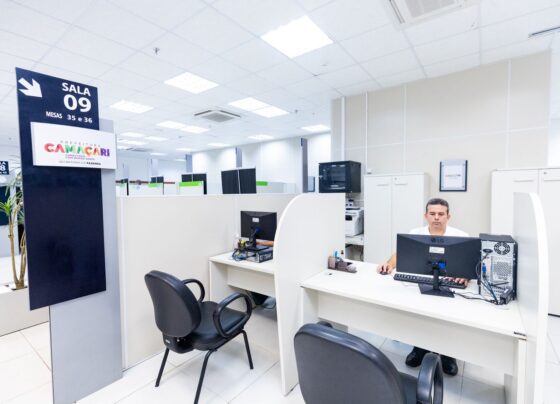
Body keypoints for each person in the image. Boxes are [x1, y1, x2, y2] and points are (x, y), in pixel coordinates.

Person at [377, 197, 468, 376]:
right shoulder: (416, 233)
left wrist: (465, 276)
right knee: (419, 315)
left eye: (441, 214)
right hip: (422, 281)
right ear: (426, 216)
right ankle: (420, 348)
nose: (436, 217)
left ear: (448, 216)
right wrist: (389, 264)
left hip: (449, 285)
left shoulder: (461, 236)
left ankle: (448, 354)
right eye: (432, 213)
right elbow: (400, 254)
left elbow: (469, 263)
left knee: (447, 318)